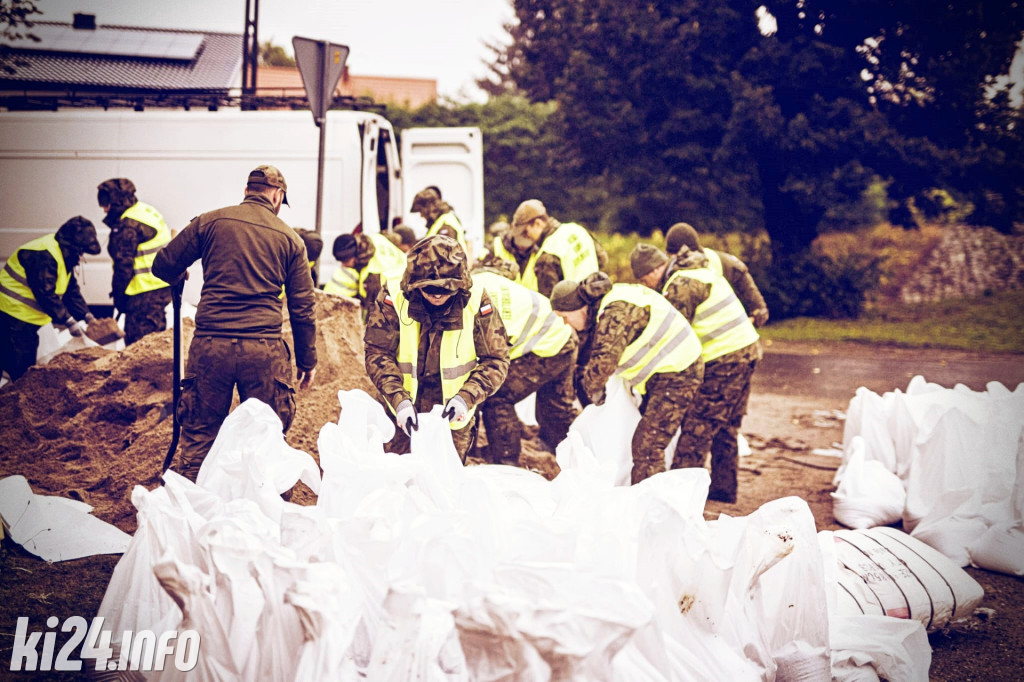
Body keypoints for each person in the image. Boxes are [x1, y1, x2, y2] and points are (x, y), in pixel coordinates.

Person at [152, 164, 317, 482]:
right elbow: (303, 308)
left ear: (247, 191)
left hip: (211, 346)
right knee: (269, 441)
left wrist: (178, 274)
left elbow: (163, 265)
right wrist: (308, 360)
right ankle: (268, 520)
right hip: (264, 350)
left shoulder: (209, 222)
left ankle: (188, 516)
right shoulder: (291, 240)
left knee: (199, 439)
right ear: (277, 195)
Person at [631, 243, 762, 503]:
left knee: (695, 430)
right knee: (725, 426)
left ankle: (680, 500)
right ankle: (723, 491)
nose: (648, 286)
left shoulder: (680, 286)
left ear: (656, 269)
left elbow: (671, 337)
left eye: (646, 279)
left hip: (725, 360)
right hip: (747, 353)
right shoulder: (700, 271)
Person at [364, 234, 510, 461]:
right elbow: (378, 353)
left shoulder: (476, 299)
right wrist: (399, 400)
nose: (437, 296)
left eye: (445, 290)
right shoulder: (393, 295)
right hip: (401, 411)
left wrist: (466, 397)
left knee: (445, 485)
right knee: (395, 480)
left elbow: (496, 359)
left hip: (453, 415)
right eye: (429, 290)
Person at [550, 271, 704, 485]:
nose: (566, 324)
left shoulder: (615, 312)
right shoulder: (605, 306)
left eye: (565, 317)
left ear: (579, 307)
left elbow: (603, 362)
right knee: (646, 438)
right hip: (666, 372)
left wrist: (592, 390)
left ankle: (652, 509)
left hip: (679, 372)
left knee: (648, 446)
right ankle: (658, 496)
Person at [472, 262, 579, 465]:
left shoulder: (474, 312)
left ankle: (507, 463)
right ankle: (572, 458)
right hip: (560, 333)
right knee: (555, 409)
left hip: (550, 344)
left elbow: (486, 365)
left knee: (496, 396)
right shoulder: (480, 279)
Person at [0, 216, 101, 382]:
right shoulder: (44, 255)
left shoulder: (63, 255)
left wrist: (86, 315)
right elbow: (45, 293)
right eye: (81, 250)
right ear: (73, 245)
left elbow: (70, 290)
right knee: (19, 366)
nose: (81, 254)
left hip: (25, 317)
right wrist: (68, 320)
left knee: (22, 361)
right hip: (12, 313)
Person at [97, 178, 172, 345]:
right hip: (160, 287)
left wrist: (119, 297)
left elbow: (123, 266)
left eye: (105, 203)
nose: (104, 209)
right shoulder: (145, 211)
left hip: (143, 293)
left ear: (116, 201)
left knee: (139, 344)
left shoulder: (127, 226)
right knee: (155, 341)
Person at [489, 199, 606, 298]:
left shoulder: (547, 254)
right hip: (596, 300)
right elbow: (602, 259)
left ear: (538, 223)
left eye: (525, 231)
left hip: (574, 315)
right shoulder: (577, 229)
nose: (526, 237)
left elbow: (547, 304)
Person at [664, 222, 769, 327]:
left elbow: (759, 308)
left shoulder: (726, 263)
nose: (678, 261)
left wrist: (751, 320)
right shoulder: (669, 269)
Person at [323, 231, 406, 314]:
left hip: (400, 295)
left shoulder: (373, 275)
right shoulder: (375, 238)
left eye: (346, 261)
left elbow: (376, 310)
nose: (343, 265)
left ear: (355, 256)